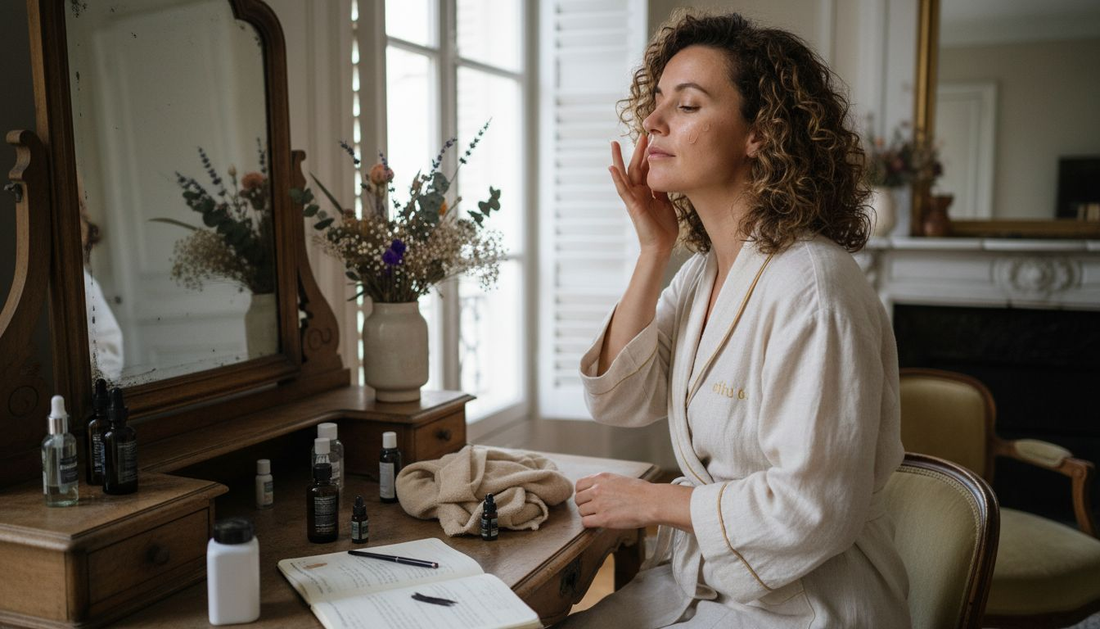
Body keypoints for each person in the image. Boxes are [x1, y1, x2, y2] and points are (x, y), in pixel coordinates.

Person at [562, 11, 910, 628]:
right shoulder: (701, 275)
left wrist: (655, 502)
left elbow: (814, 506)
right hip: (708, 582)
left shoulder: (813, 286)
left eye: (688, 105)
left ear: (760, 133)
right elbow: (620, 401)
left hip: (806, 601)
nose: (654, 121)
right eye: (658, 100)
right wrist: (652, 251)